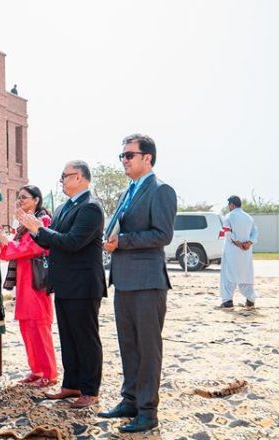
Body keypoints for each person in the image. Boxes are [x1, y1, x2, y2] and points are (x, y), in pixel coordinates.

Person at [100, 134, 177, 433]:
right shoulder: (128, 191)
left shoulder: (161, 190)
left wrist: (123, 242)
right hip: (124, 281)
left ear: (148, 158)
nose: (124, 160)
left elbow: (162, 235)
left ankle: (148, 412)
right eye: (121, 156)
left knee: (148, 348)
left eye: (129, 155)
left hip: (148, 282)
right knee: (128, 345)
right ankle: (130, 400)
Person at [19, 161, 107, 409]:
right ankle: (72, 384)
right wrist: (34, 230)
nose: (61, 180)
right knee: (68, 337)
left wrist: (38, 229)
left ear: (79, 177)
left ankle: (90, 390)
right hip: (65, 283)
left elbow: (72, 242)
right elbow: (50, 242)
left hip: (83, 284)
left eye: (65, 176)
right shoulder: (63, 208)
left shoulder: (90, 207)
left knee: (86, 338)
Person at [0, 185, 57, 388]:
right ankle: (36, 370)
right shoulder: (23, 226)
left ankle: (49, 373)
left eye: (24, 198)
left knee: (40, 327)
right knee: (27, 327)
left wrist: (7, 243)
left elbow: (33, 247)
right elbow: (18, 249)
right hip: (24, 281)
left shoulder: (42, 221)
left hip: (37, 282)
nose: (20, 201)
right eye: (18, 198)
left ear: (36, 200)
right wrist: (5, 241)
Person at [218, 195, 258, 308]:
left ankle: (227, 301)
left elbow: (228, 233)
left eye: (228, 204)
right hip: (246, 252)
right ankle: (250, 300)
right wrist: (248, 243)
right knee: (246, 275)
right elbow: (255, 233)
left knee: (228, 275)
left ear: (232, 204)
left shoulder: (229, 217)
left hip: (232, 251)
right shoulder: (249, 217)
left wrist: (239, 244)